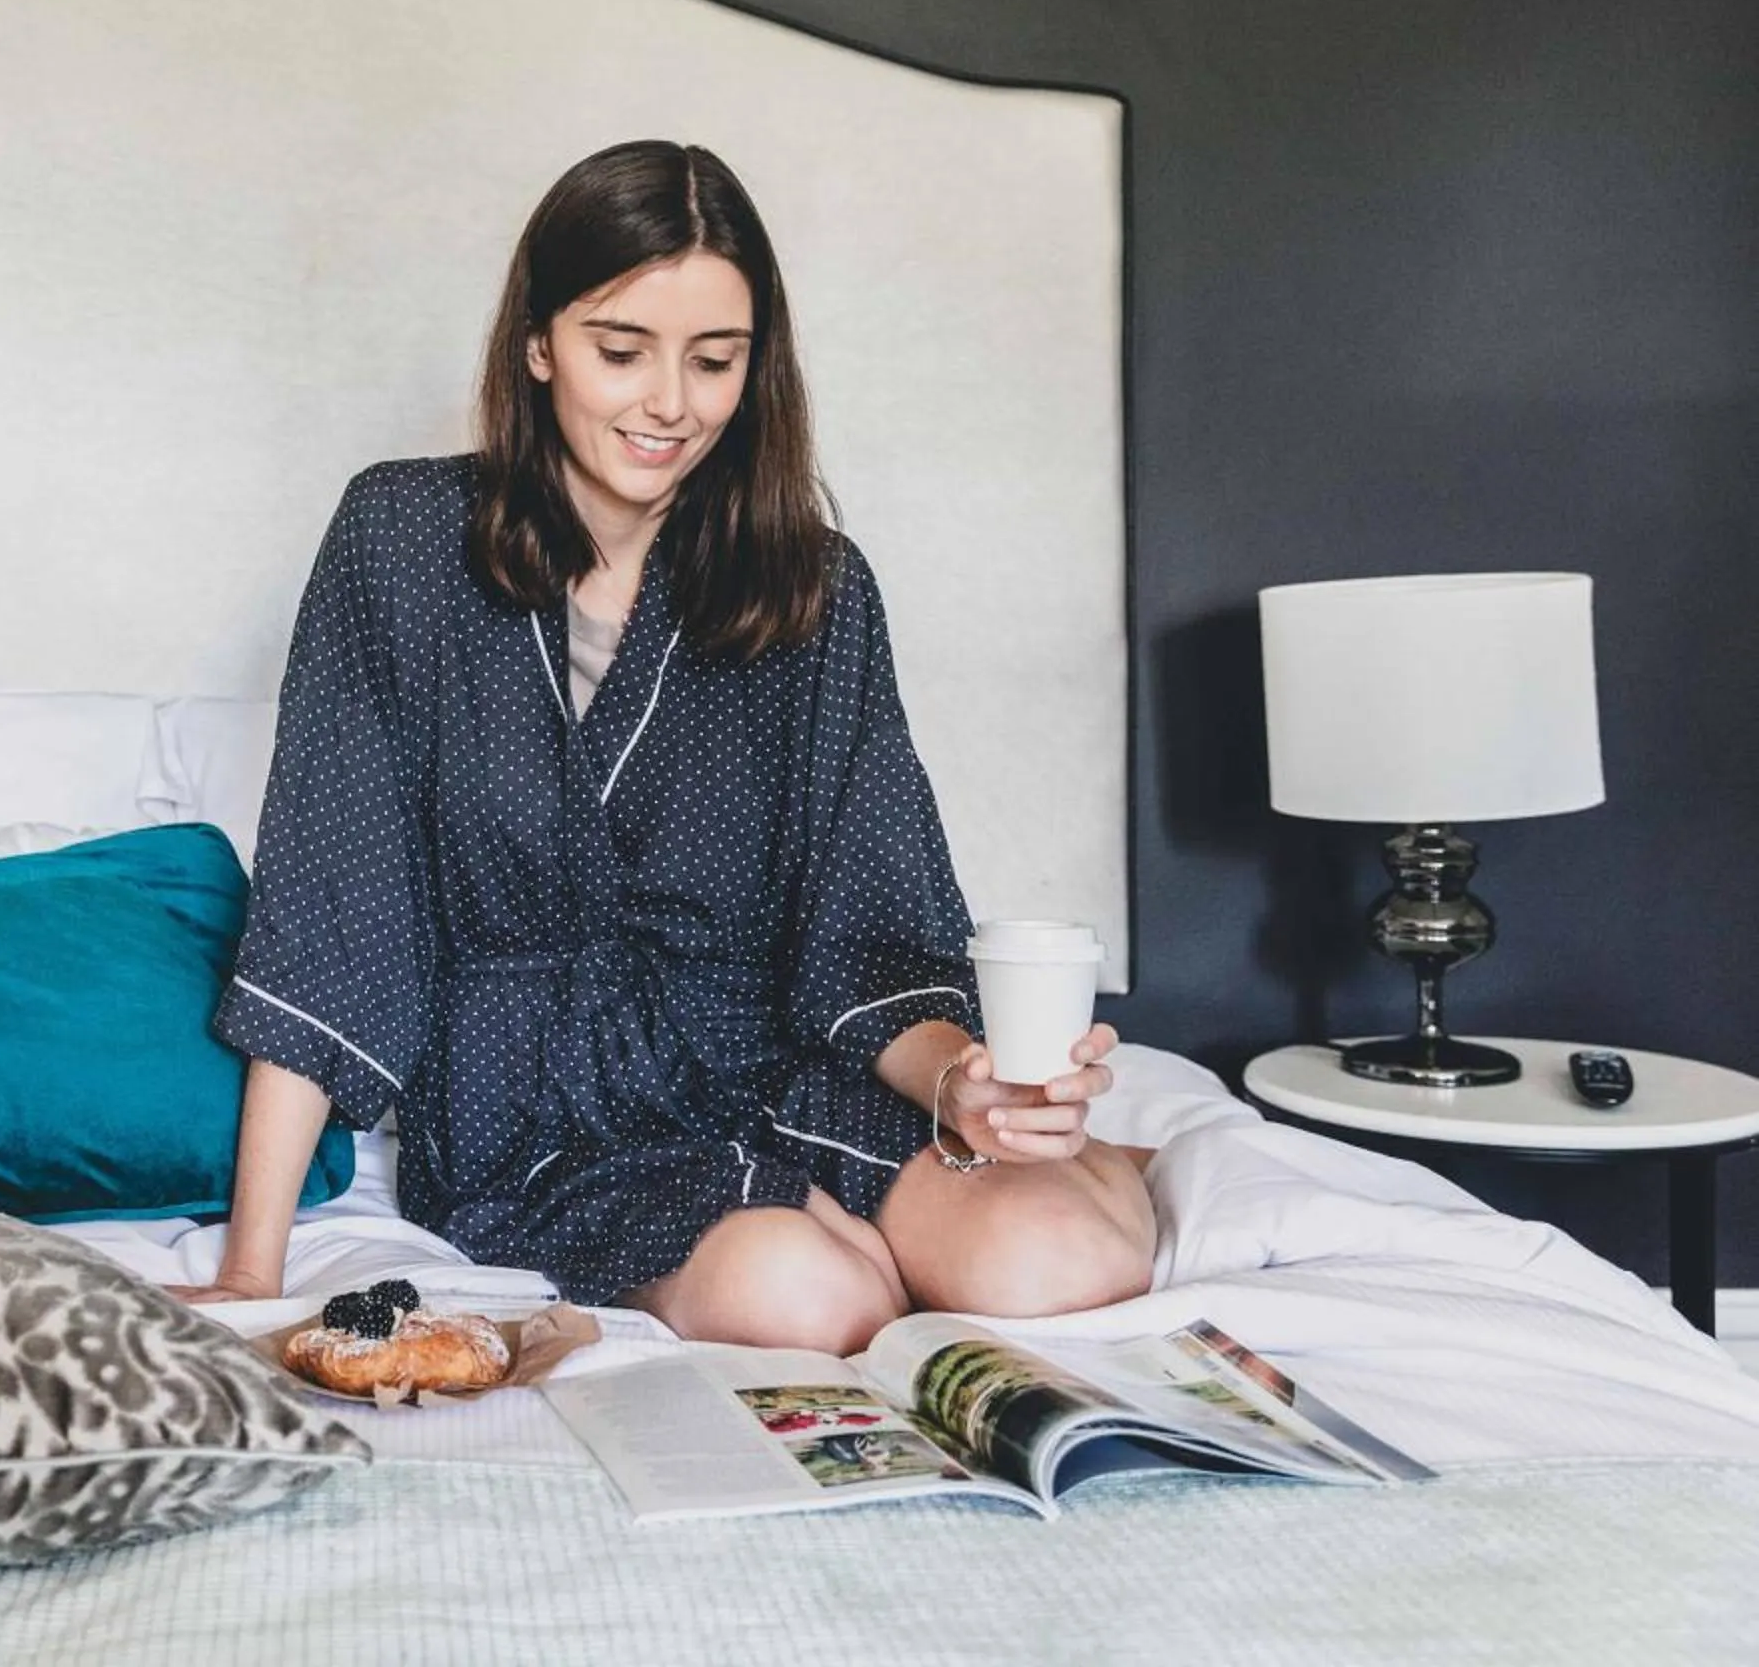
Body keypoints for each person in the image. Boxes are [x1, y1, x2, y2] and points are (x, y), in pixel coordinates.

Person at [171, 140, 1155, 1353]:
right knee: (808, 1300)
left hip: (778, 1058)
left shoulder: (816, 587)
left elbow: (868, 927)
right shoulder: (402, 538)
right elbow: (336, 906)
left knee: (1054, 1260)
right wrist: (252, 1264)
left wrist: (968, 1086)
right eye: (621, 349)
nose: (671, 404)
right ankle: (863, 1239)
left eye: (715, 359)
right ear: (540, 343)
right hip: (542, 1118)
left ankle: (1103, 1171)